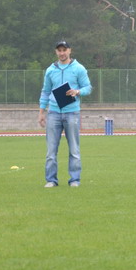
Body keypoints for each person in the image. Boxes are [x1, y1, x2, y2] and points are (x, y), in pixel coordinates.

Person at [38, 40, 92, 188]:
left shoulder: (79, 68)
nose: (62, 53)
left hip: (72, 113)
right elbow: (45, 91)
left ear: (70, 51)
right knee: (51, 151)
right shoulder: (50, 70)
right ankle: (51, 180)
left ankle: (74, 180)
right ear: (56, 52)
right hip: (53, 113)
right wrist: (41, 112)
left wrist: (77, 91)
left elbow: (88, 87)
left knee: (74, 150)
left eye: (64, 50)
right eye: (59, 50)